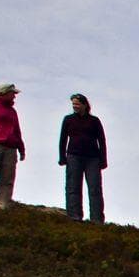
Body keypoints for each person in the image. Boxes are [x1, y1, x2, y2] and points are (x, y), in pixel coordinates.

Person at [57, 93, 108, 222]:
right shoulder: (68, 119)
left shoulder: (94, 121)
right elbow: (63, 139)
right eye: (73, 104)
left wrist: (103, 159)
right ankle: (74, 216)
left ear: (85, 105)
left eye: (77, 104)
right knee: (73, 187)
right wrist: (62, 157)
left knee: (95, 188)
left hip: (93, 158)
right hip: (73, 156)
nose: (75, 106)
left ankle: (96, 219)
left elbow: (102, 140)